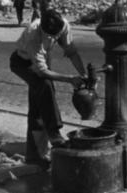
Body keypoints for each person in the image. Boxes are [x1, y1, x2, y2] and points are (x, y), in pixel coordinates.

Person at [9, 9, 86, 169]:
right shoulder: (33, 35)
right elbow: (42, 72)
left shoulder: (63, 25)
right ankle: (54, 133)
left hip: (43, 58)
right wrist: (69, 79)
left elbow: (71, 51)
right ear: (42, 29)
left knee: (39, 105)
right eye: (49, 35)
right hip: (22, 62)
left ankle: (35, 155)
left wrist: (83, 74)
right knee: (45, 86)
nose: (52, 38)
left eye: (55, 36)